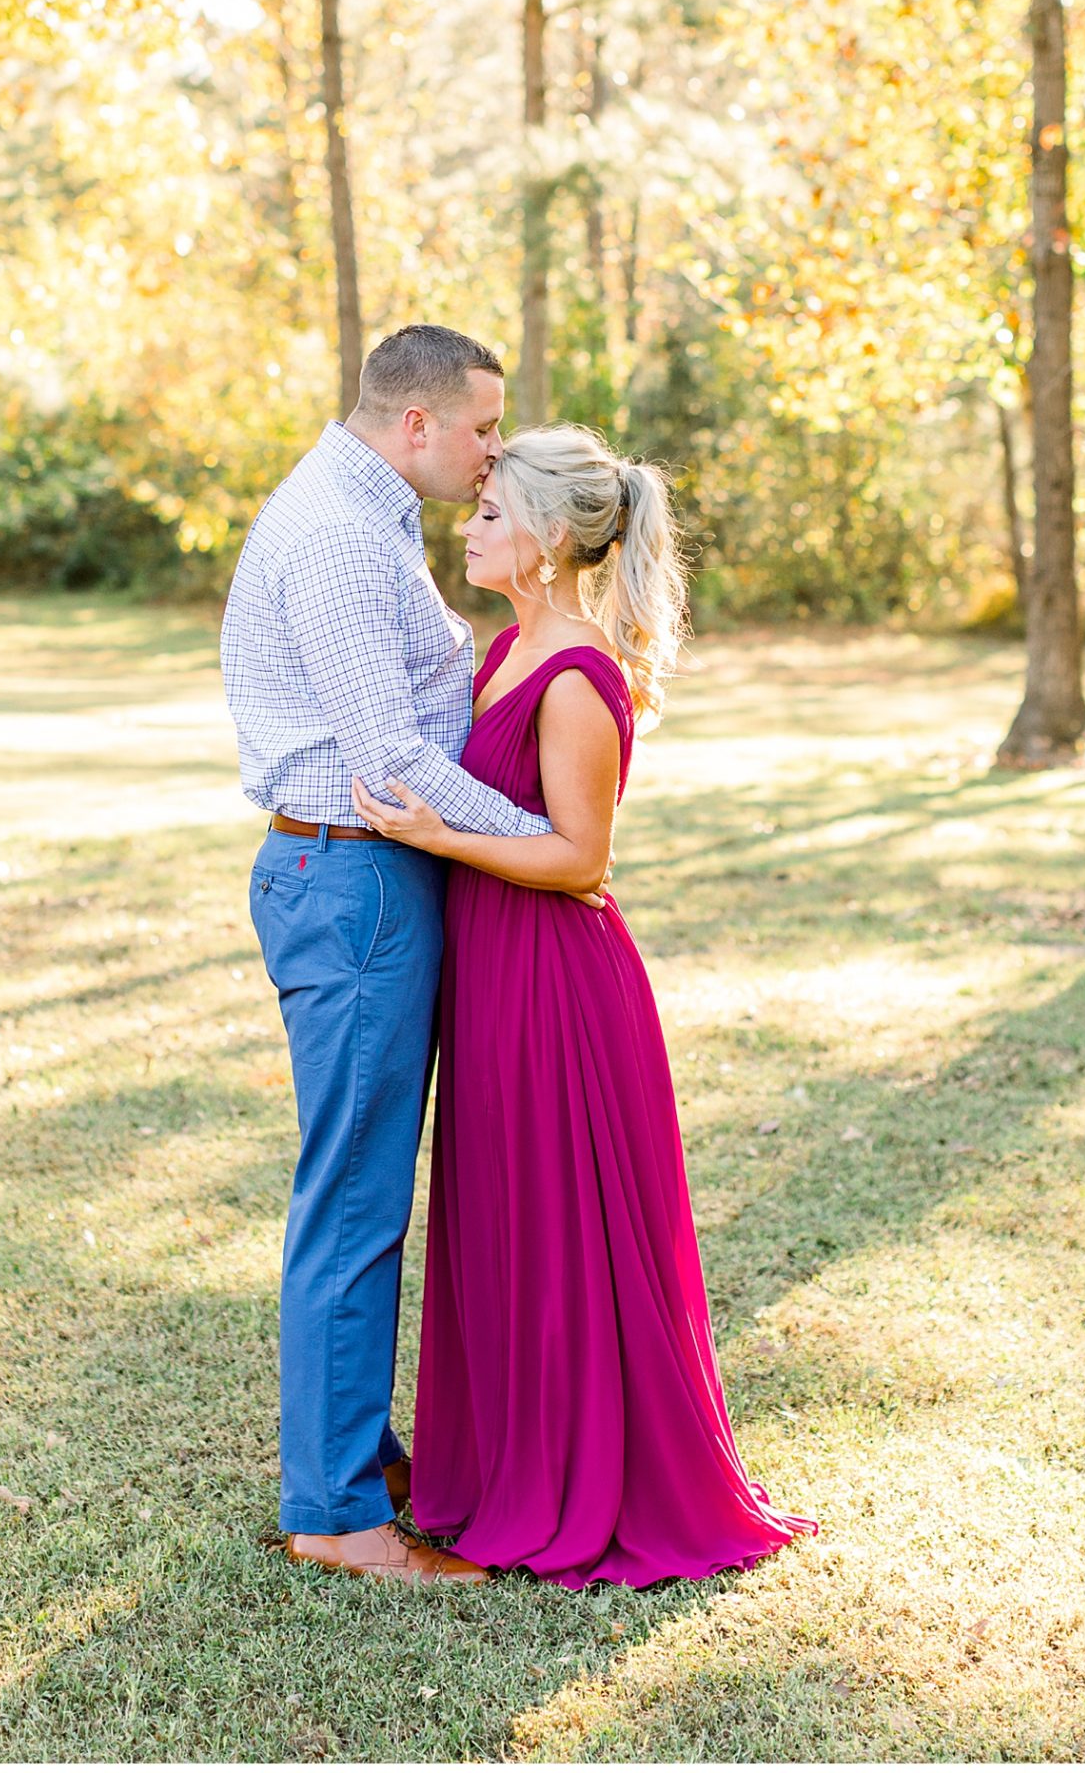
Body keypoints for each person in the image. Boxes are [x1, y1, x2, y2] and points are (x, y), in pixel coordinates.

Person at [352, 423, 814, 1585]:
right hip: (491, 977)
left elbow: (581, 859)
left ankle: (588, 1475)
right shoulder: (499, 649)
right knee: (506, 1220)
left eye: (492, 511)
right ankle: (503, 1461)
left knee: (564, 1234)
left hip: (559, 986)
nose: (470, 523)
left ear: (551, 539)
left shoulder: (575, 677)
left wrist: (435, 834)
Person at [221, 325, 591, 1586]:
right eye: (486, 429)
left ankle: (360, 1460)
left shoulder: (367, 511)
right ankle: (334, 1512)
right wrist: (544, 838)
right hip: (356, 880)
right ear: (420, 423)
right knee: (358, 1196)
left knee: (370, 1183)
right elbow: (393, 757)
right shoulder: (335, 532)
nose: (497, 452)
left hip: (369, 877)